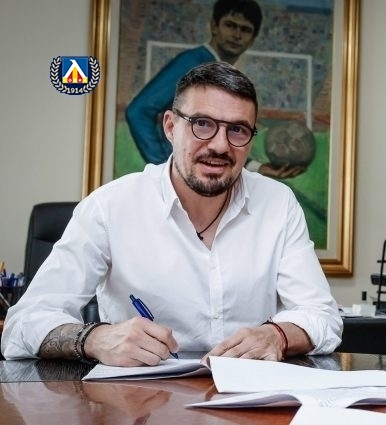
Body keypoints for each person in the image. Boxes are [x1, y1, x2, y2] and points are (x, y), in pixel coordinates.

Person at [0, 62, 342, 366]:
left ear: (251, 140)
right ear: (170, 127)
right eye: (202, 124)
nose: (220, 145)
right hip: (140, 401)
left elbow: (323, 317)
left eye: (237, 130)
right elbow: (22, 325)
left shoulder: (278, 203)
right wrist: (95, 338)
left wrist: (277, 335)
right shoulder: (110, 207)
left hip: (247, 401)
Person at [125, 0, 303, 178]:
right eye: (230, 25)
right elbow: (138, 111)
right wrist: (164, 166)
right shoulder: (192, 62)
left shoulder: (224, 71)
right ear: (214, 26)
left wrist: (258, 168)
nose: (236, 35)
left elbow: (216, 141)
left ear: (252, 39)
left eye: (245, 30)